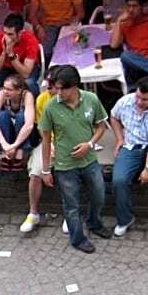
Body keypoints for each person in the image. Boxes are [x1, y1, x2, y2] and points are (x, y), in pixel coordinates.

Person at [38, 65, 110, 253]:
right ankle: (77, 238)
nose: (59, 93)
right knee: (71, 205)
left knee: (99, 195)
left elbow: (101, 126)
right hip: (65, 165)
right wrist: (45, 170)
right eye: (56, 88)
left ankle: (94, 223)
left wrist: (90, 144)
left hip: (89, 160)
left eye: (63, 89)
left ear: (75, 86)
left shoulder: (91, 99)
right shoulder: (50, 107)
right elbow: (46, 140)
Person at [108, 76, 148, 236]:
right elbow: (114, 117)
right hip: (131, 145)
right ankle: (125, 218)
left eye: (144, 99)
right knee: (119, 180)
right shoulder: (125, 101)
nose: (139, 101)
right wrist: (119, 139)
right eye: (137, 96)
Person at [19, 68, 61, 233]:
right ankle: (33, 213)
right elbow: (41, 127)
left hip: (69, 144)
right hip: (48, 142)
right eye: (48, 85)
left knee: (69, 174)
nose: (49, 89)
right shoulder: (42, 99)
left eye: (53, 85)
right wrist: (48, 143)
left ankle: (70, 214)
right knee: (35, 172)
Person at [0, 12, 40, 110]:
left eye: (10, 34)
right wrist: (4, 53)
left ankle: (30, 113)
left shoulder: (30, 40)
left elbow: (25, 73)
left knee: (30, 83)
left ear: (20, 33)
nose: (7, 37)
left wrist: (11, 55)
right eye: (5, 33)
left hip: (24, 68)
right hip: (5, 68)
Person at [0, 73, 37, 173]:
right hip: (9, 135)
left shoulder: (27, 96)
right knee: (1, 115)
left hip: (25, 134)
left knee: (21, 116)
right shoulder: (1, 94)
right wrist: (4, 144)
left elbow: (29, 125)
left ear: (19, 90)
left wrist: (14, 146)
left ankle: (19, 153)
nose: (5, 91)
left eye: (9, 89)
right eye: (4, 88)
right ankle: (5, 153)